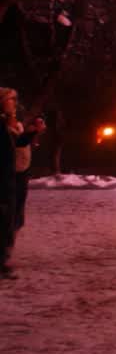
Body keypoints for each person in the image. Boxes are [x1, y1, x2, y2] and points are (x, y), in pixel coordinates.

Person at [1, 88, 44, 278]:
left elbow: (16, 144)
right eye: (11, 99)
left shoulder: (7, 122)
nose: (14, 103)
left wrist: (31, 133)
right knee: (4, 218)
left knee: (9, 217)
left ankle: (3, 260)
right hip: (3, 177)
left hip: (10, 176)